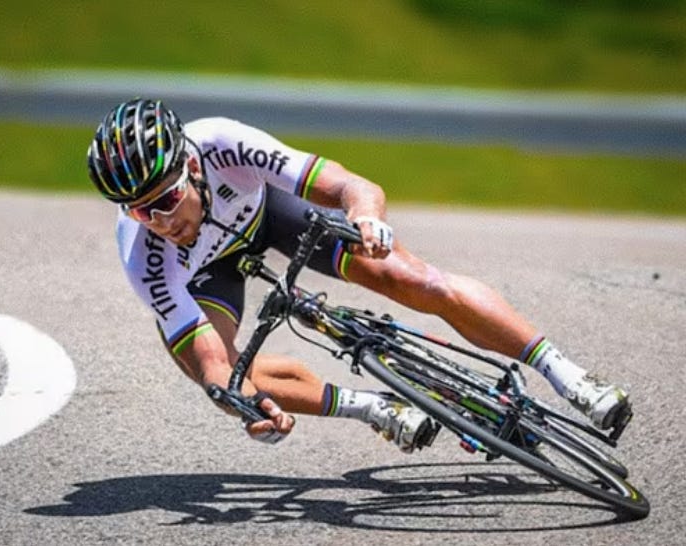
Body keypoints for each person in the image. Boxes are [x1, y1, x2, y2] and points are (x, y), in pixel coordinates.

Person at [86, 98, 632, 451]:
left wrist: (367, 219)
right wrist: (245, 405)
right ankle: (371, 406)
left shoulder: (224, 143)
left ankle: (568, 376)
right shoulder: (144, 255)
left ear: (192, 166)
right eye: (139, 211)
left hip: (268, 213)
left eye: (165, 200)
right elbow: (211, 365)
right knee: (222, 376)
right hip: (207, 271)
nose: (159, 221)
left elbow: (352, 187)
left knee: (416, 281)